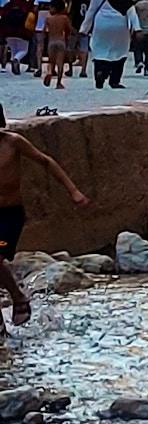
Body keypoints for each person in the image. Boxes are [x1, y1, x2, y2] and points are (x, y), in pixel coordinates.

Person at [0, 106, 90, 326]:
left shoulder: (13, 142)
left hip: (9, 216)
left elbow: (45, 161)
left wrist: (74, 191)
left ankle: (19, 298)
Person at [82, 0, 136, 90]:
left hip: (101, 25)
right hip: (120, 26)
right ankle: (114, 81)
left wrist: (84, 29)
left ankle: (101, 73)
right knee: (120, 53)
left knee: (100, 51)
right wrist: (137, 28)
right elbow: (131, 11)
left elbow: (91, 10)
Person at [37, 0, 72, 90]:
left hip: (51, 41)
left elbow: (44, 31)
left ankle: (49, 73)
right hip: (61, 41)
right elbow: (69, 30)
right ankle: (59, 82)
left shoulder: (48, 18)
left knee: (51, 61)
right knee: (60, 62)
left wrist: (43, 41)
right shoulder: (64, 18)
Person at [0, 0, 29, 75]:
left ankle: (15, 63)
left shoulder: (8, 5)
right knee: (24, 50)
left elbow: (2, 17)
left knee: (13, 49)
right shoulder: (24, 5)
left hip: (8, 32)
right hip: (21, 31)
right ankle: (16, 60)